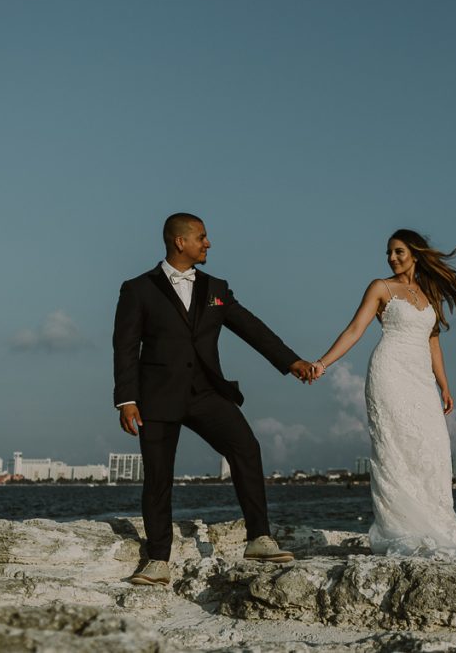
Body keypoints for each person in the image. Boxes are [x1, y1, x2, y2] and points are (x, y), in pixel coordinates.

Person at [113, 213, 315, 586]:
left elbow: (251, 328)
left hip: (207, 392)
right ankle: (158, 560)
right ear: (180, 242)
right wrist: (126, 400)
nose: (208, 243)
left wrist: (291, 361)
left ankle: (259, 538)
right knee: (158, 477)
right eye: (202, 237)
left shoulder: (216, 287)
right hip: (155, 398)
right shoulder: (138, 289)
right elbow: (125, 346)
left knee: (246, 448)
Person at [311, 229, 456, 563]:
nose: (392, 258)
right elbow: (354, 330)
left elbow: (433, 341)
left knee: (434, 446)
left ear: (415, 252)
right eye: (388, 253)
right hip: (389, 372)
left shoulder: (431, 291)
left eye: (398, 251)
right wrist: (322, 363)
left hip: (421, 379)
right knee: (395, 447)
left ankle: (436, 522)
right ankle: (400, 526)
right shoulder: (380, 287)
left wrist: (444, 384)